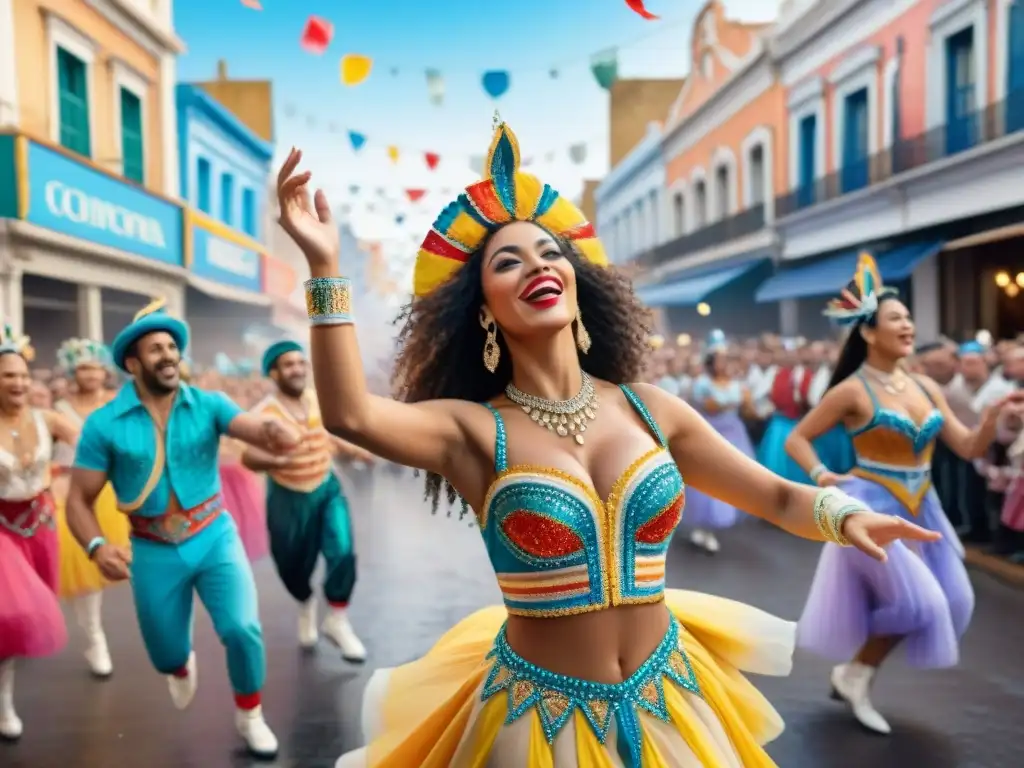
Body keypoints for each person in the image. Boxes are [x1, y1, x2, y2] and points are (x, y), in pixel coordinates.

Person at [277, 122, 939, 765]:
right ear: (483, 310)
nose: (537, 266)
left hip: (669, 700)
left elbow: (774, 496)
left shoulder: (651, 409)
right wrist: (324, 266)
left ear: (576, 281)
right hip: (538, 725)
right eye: (508, 261)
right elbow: (351, 415)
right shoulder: (473, 431)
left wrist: (845, 515)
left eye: (550, 253)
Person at [785, 254, 1024, 735]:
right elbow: (798, 439)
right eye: (896, 318)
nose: (908, 325)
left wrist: (992, 420)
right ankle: (857, 674)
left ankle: (856, 672)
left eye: (909, 317)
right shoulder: (851, 391)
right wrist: (822, 474)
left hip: (923, 506)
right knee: (919, 604)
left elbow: (967, 446)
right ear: (869, 332)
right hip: (871, 505)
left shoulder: (926, 386)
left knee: (955, 599)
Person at [64, 300, 302, 758]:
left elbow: (251, 427)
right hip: (151, 549)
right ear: (133, 363)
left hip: (215, 537)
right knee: (166, 654)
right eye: (156, 349)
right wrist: (96, 546)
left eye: (172, 346)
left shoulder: (209, 404)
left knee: (242, 628)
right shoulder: (103, 425)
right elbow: (78, 500)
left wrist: (274, 432)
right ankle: (178, 664)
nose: (169, 355)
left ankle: (251, 714)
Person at [241, 340, 371, 658]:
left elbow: (332, 438)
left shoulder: (318, 399)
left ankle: (337, 618)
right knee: (292, 567)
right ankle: (305, 603)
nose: (297, 369)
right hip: (288, 498)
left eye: (301, 363)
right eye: (289, 365)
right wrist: (279, 460)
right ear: (274, 372)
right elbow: (249, 457)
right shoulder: (263, 414)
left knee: (342, 549)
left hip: (326, 489)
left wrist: (358, 451)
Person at [0, 327, 77, 740]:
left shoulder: (47, 419)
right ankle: (4, 705)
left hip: (41, 526)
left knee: (33, 610)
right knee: (9, 616)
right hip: (1, 532)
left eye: (22, 375)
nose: (18, 382)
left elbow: (93, 442)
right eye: (8, 375)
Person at [51, 338, 128, 678]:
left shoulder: (117, 404)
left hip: (109, 495)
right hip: (68, 494)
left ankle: (98, 635)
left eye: (96, 367)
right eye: (83, 368)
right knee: (70, 569)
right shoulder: (58, 410)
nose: (91, 374)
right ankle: (91, 635)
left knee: (102, 567)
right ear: (72, 372)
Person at [683, 330, 756, 554]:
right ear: (710, 361)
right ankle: (705, 528)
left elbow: (749, 410)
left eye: (726, 359)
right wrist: (734, 400)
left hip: (735, 436)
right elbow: (711, 406)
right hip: (712, 434)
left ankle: (712, 525)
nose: (724, 364)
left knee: (732, 478)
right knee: (709, 480)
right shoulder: (702, 383)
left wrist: (745, 401)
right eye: (720, 359)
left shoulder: (737, 384)